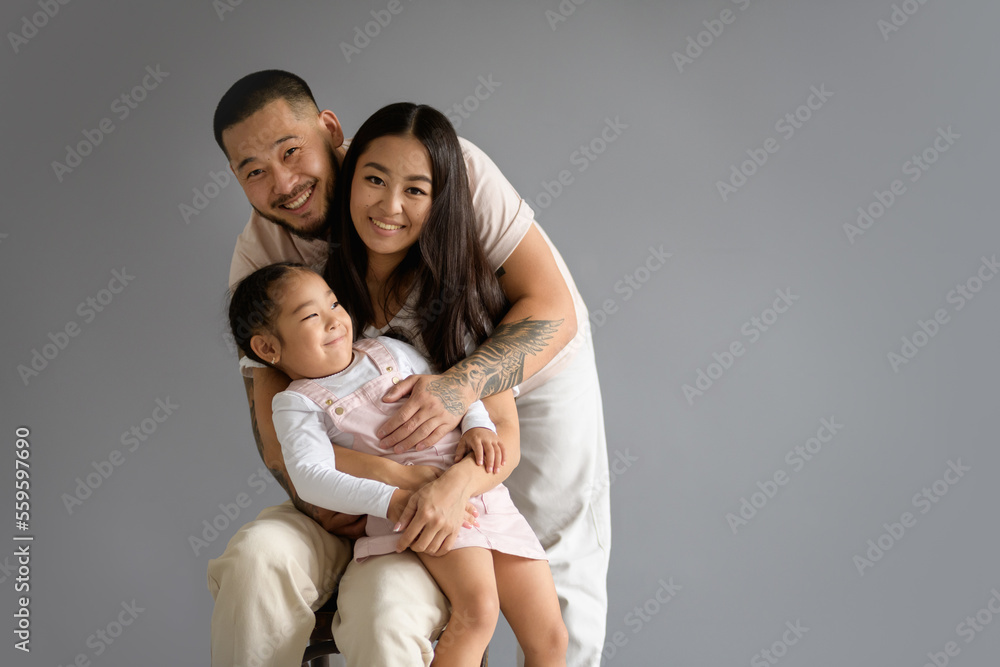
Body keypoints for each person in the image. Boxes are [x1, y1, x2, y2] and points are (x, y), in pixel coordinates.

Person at [208, 70, 610, 667]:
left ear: (329, 129)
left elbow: (548, 308)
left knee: (558, 573)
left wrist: (462, 391)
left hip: (522, 358)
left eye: (291, 151)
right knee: (461, 603)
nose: (284, 183)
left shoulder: (446, 165)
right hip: (396, 422)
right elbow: (276, 420)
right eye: (254, 171)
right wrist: (361, 490)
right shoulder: (261, 255)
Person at [228, 262, 567, 666]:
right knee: (477, 614)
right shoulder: (296, 404)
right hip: (421, 509)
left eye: (334, 303)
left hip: (482, 493)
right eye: (311, 316)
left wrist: (476, 425)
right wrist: (392, 501)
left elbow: (454, 389)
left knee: (551, 638)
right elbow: (311, 478)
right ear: (268, 348)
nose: (335, 320)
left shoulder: (389, 349)